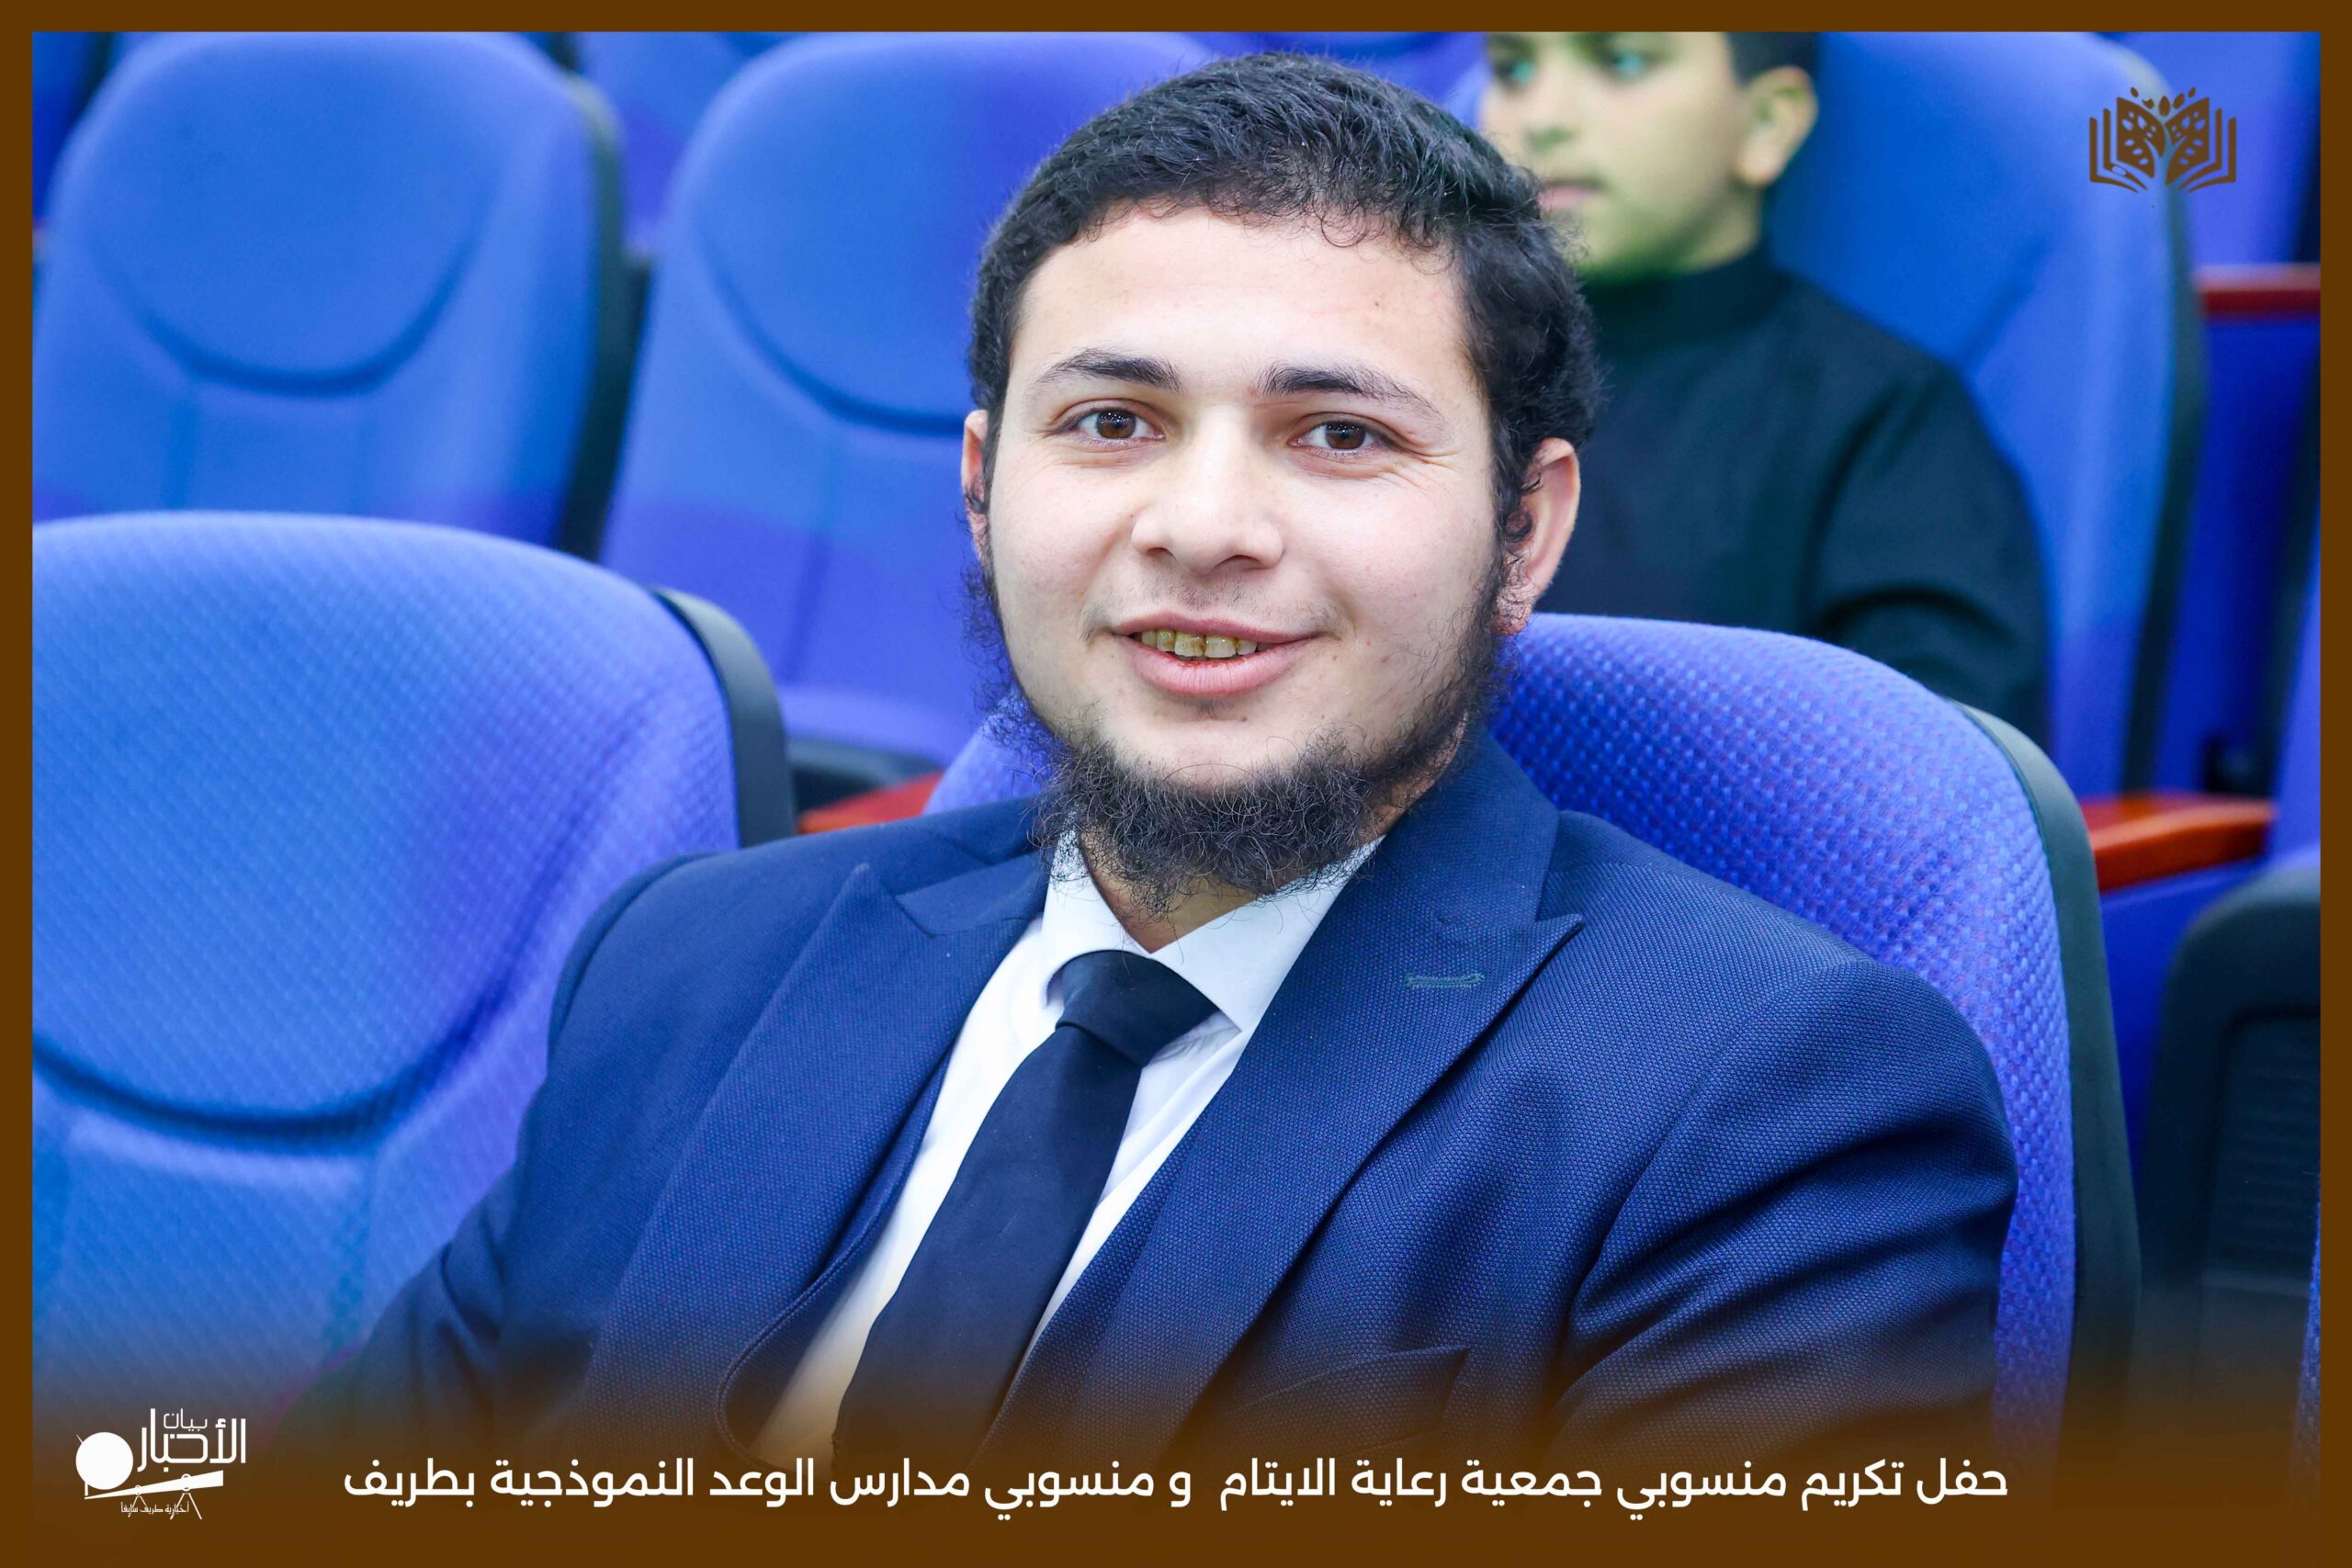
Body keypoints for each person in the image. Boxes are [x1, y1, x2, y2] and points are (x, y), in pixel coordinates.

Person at [285, 54, 2015, 1480]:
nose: (1201, 526)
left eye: (1338, 434)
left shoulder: (1768, 1103)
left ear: (1526, 529)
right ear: (983, 488)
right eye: (1111, 422)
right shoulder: (689, 964)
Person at [1481, 31, 2051, 739]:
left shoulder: (1885, 419)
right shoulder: (1431, 378)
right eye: (1513, 68)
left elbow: (1937, 765)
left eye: (1623, 60)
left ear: (1765, 124)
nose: (1542, 117)